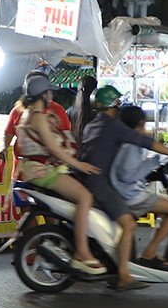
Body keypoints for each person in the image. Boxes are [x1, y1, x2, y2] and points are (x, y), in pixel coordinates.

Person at [79, 85, 168, 290]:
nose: (119, 108)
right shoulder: (112, 125)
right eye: (117, 103)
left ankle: (143, 256)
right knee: (129, 224)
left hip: (92, 180)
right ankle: (124, 275)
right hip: (101, 184)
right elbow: (145, 143)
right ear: (112, 105)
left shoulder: (91, 125)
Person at [13, 75, 106, 276]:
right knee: (85, 197)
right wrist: (79, 165)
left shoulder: (26, 115)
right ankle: (82, 251)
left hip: (34, 170)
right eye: (49, 92)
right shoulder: (37, 117)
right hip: (43, 172)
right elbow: (54, 149)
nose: (51, 95)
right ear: (43, 95)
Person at [110, 105, 168, 264]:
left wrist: (154, 162)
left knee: (166, 211)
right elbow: (128, 175)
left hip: (125, 192)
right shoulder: (132, 145)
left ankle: (151, 251)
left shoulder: (124, 140)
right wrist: (154, 162)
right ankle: (150, 251)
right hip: (131, 196)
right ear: (140, 123)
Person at [2, 69, 71, 160]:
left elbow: (66, 137)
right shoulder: (18, 110)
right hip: (34, 169)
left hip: (47, 168)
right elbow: (8, 134)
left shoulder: (57, 109)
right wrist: (3, 148)